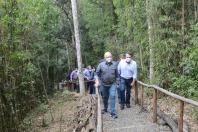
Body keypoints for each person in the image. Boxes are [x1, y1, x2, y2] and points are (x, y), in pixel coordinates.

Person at [95, 52, 118, 119]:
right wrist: (97, 81)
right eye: (107, 57)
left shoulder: (115, 64)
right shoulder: (101, 65)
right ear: (105, 58)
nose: (109, 58)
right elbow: (96, 74)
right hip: (103, 84)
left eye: (110, 56)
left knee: (112, 96)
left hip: (112, 84)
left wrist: (117, 82)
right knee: (105, 97)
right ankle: (105, 108)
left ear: (112, 57)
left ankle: (112, 112)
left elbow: (117, 75)